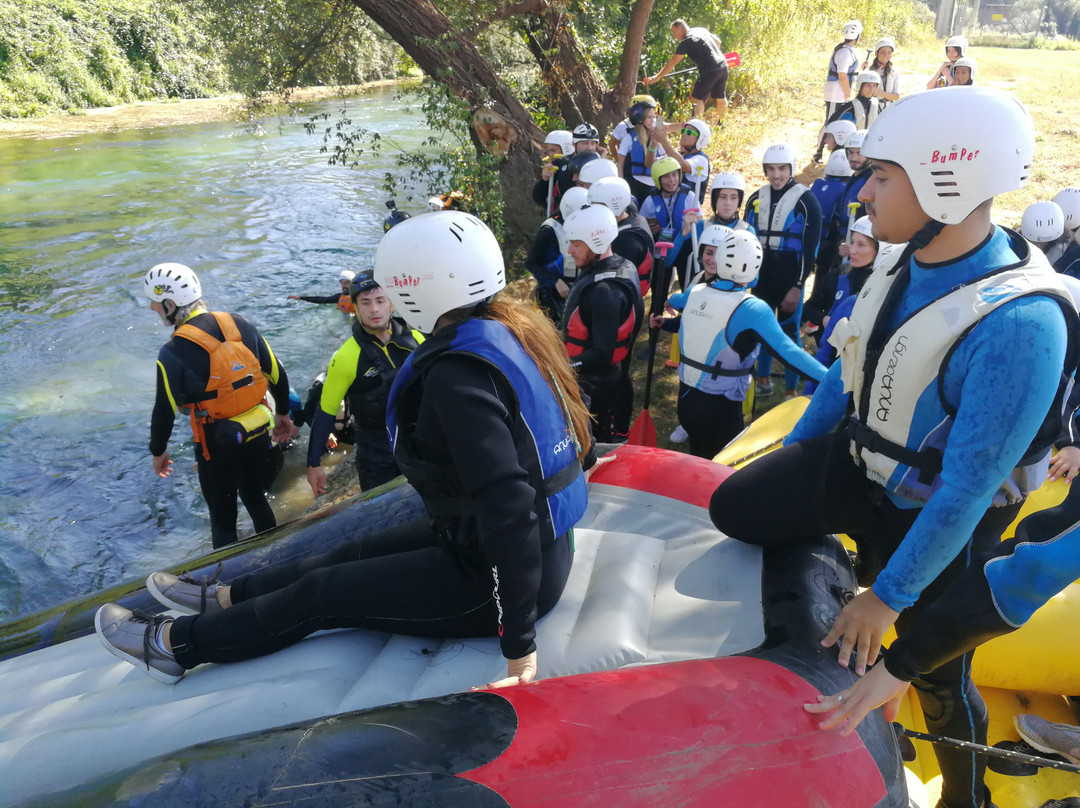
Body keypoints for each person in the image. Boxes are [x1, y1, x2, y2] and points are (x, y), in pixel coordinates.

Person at [711, 87, 1075, 808]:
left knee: (940, 680)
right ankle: (846, 573)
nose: (863, 194)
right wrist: (796, 460)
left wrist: (887, 599)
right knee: (735, 509)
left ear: (949, 181)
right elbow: (849, 371)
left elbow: (968, 491)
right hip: (862, 465)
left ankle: (963, 795)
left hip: (934, 516)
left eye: (881, 176)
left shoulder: (1021, 324)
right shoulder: (903, 257)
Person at [96, 212, 592, 689]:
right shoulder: (512, 329)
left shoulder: (457, 378)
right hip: (530, 548)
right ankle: (226, 596)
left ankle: (175, 646)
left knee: (322, 594)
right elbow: (570, 432)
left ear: (415, 289)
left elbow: (509, 508)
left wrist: (519, 644)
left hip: (504, 581)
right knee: (348, 552)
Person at [143, 263, 294, 549]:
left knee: (223, 518)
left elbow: (163, 411)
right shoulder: (241, 323)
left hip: (215, 443)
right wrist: (283, 414)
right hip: (258, 431)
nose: (151, 307)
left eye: (154, 302)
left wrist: (158, 451)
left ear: (169, 303)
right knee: (256, 499)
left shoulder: (172, 352)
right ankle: (276, 554)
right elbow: (276, 374)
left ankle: (227, 584)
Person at [651, 227, 826, 458]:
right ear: (754, 273)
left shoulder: (696, 291)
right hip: (720, 410)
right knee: (720, 469)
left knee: (698, 458)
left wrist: (669, 305)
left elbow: (679, 300)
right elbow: (790, 354)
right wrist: (835, 379)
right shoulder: (752, 309)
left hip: (686, 403)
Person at [306, 271, 423, 495]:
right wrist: (313, 464)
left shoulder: (415, 339)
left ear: (391, 303)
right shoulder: (346, 357)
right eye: (366, 303)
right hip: (377, 456)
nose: (375, 309)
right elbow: (326, 411)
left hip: (419, 444)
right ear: (356, 308)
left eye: (380, 300)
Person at [560, 204, 644, 443]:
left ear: (595, 243)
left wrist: (562, 366)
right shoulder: (618, 265)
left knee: (592, 449)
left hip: (597, 391)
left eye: (576, 244)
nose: (569, 250)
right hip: (600, 382)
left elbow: (602, 353)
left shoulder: (606, 292)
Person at [744, 143, 822, 397]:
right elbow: (746, 241)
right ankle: (763, 381)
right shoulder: (756, 199)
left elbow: (810, 250)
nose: (776, 175)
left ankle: (791, 390)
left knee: (788, 336)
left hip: (789, 279)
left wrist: (797, 287)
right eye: (771, 169)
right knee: (762, 331)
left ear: (791, 169)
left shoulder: (807, 201)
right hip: (762, 279)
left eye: (782, 168)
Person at [802, 215, 881, 394]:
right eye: (852, 243)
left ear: (878, 249)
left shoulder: (882, 285)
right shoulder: (838, 276)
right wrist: (825, 320)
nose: (852, 250)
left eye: (861, 245)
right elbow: (809, 308)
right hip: (832, 359)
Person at [642, 18, 729, 122]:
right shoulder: (701, 30)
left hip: (710, 70)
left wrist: (657, 77)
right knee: (720, 97)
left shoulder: (687, 41)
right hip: (723, 65)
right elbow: (717, 41)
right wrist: (709, 57)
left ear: (681, 28)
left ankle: (697, 126)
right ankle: (721, 123)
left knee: (696, 99)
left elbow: (673, 62)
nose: (674, 36)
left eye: (674, 32)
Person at [525, 186, 590, 322]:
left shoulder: (586, 226)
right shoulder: (549, 231)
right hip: (554, 294)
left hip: (581, 289)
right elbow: (531, 263)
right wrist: (555, 281)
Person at [641, 155, 700, 290]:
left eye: (674, 175)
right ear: (658, 179)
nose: (672, 180)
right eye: (666, 176)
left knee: (688, 286)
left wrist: (692, 222)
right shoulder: (650, 200)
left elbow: (700, 220)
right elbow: (641, 224)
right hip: (661, 250)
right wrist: (650, 229)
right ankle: (657, 310)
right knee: (659, 289)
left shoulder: (689, 196)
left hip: (685, 247)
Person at [590, 176, 655, 297]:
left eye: (596, 206)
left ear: (613, 205)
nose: (593, 212)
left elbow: (617, 281)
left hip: (623, 296)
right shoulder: (633, 217)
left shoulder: (626, 240)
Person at [813, 20, 863, 163]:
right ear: (857, 35)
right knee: (830, 122)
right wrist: (848, 93)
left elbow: (849, 72)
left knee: (835, 121)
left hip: (839, 92)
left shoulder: (847, 50)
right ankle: (818, 153)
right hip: (837, 93)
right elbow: (842, 75)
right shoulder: (845, 52)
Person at [652, 117, 711, 203]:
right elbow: (650, 164)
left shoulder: (701, 160)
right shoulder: (679, 155)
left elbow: (682, 165)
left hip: (690, 211)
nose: (684, 134)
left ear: (701, 139)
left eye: (689, 132)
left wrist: (663, 141)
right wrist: (653, 144)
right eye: (683, 131)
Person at [617, 97, 661, 205]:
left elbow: (665, 156)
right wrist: (621, 186)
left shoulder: (657, 136)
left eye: (654, 117)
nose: (653, 120)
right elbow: (620, 164)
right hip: (635, 184)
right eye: (649, 117)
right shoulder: (629, 137)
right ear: (640, 119)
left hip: (654, 183)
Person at [287, 270, 356, 315]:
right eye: (342, 283)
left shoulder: (358, 296)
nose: (343, 286)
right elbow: (321, 300)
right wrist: (300, 297)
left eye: (346, 283)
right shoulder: (339, 297)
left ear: (353, 283)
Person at [863, 37, 901, 107]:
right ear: (877, 53)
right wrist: (874, 76)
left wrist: (881, 93)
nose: (886, 55)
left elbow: (896, 96)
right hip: (872, 108)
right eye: (883, 52)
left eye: (889, 52)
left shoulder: (894, 72)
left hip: (889, 109)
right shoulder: (869, 71)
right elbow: (863, 95)